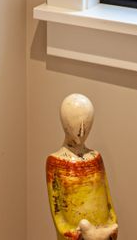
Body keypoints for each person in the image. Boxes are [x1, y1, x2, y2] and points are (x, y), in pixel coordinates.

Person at [46, 94, 118, 240]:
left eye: (87, 124)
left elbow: (108, 202)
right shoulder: (54, 162)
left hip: (102, 234)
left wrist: (111, 227)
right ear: (64, 123)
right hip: (77, 236)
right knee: (84, 225)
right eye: (76, 124)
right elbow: (58, 215)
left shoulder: (96, 158)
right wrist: (77, 235)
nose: (82, 131)